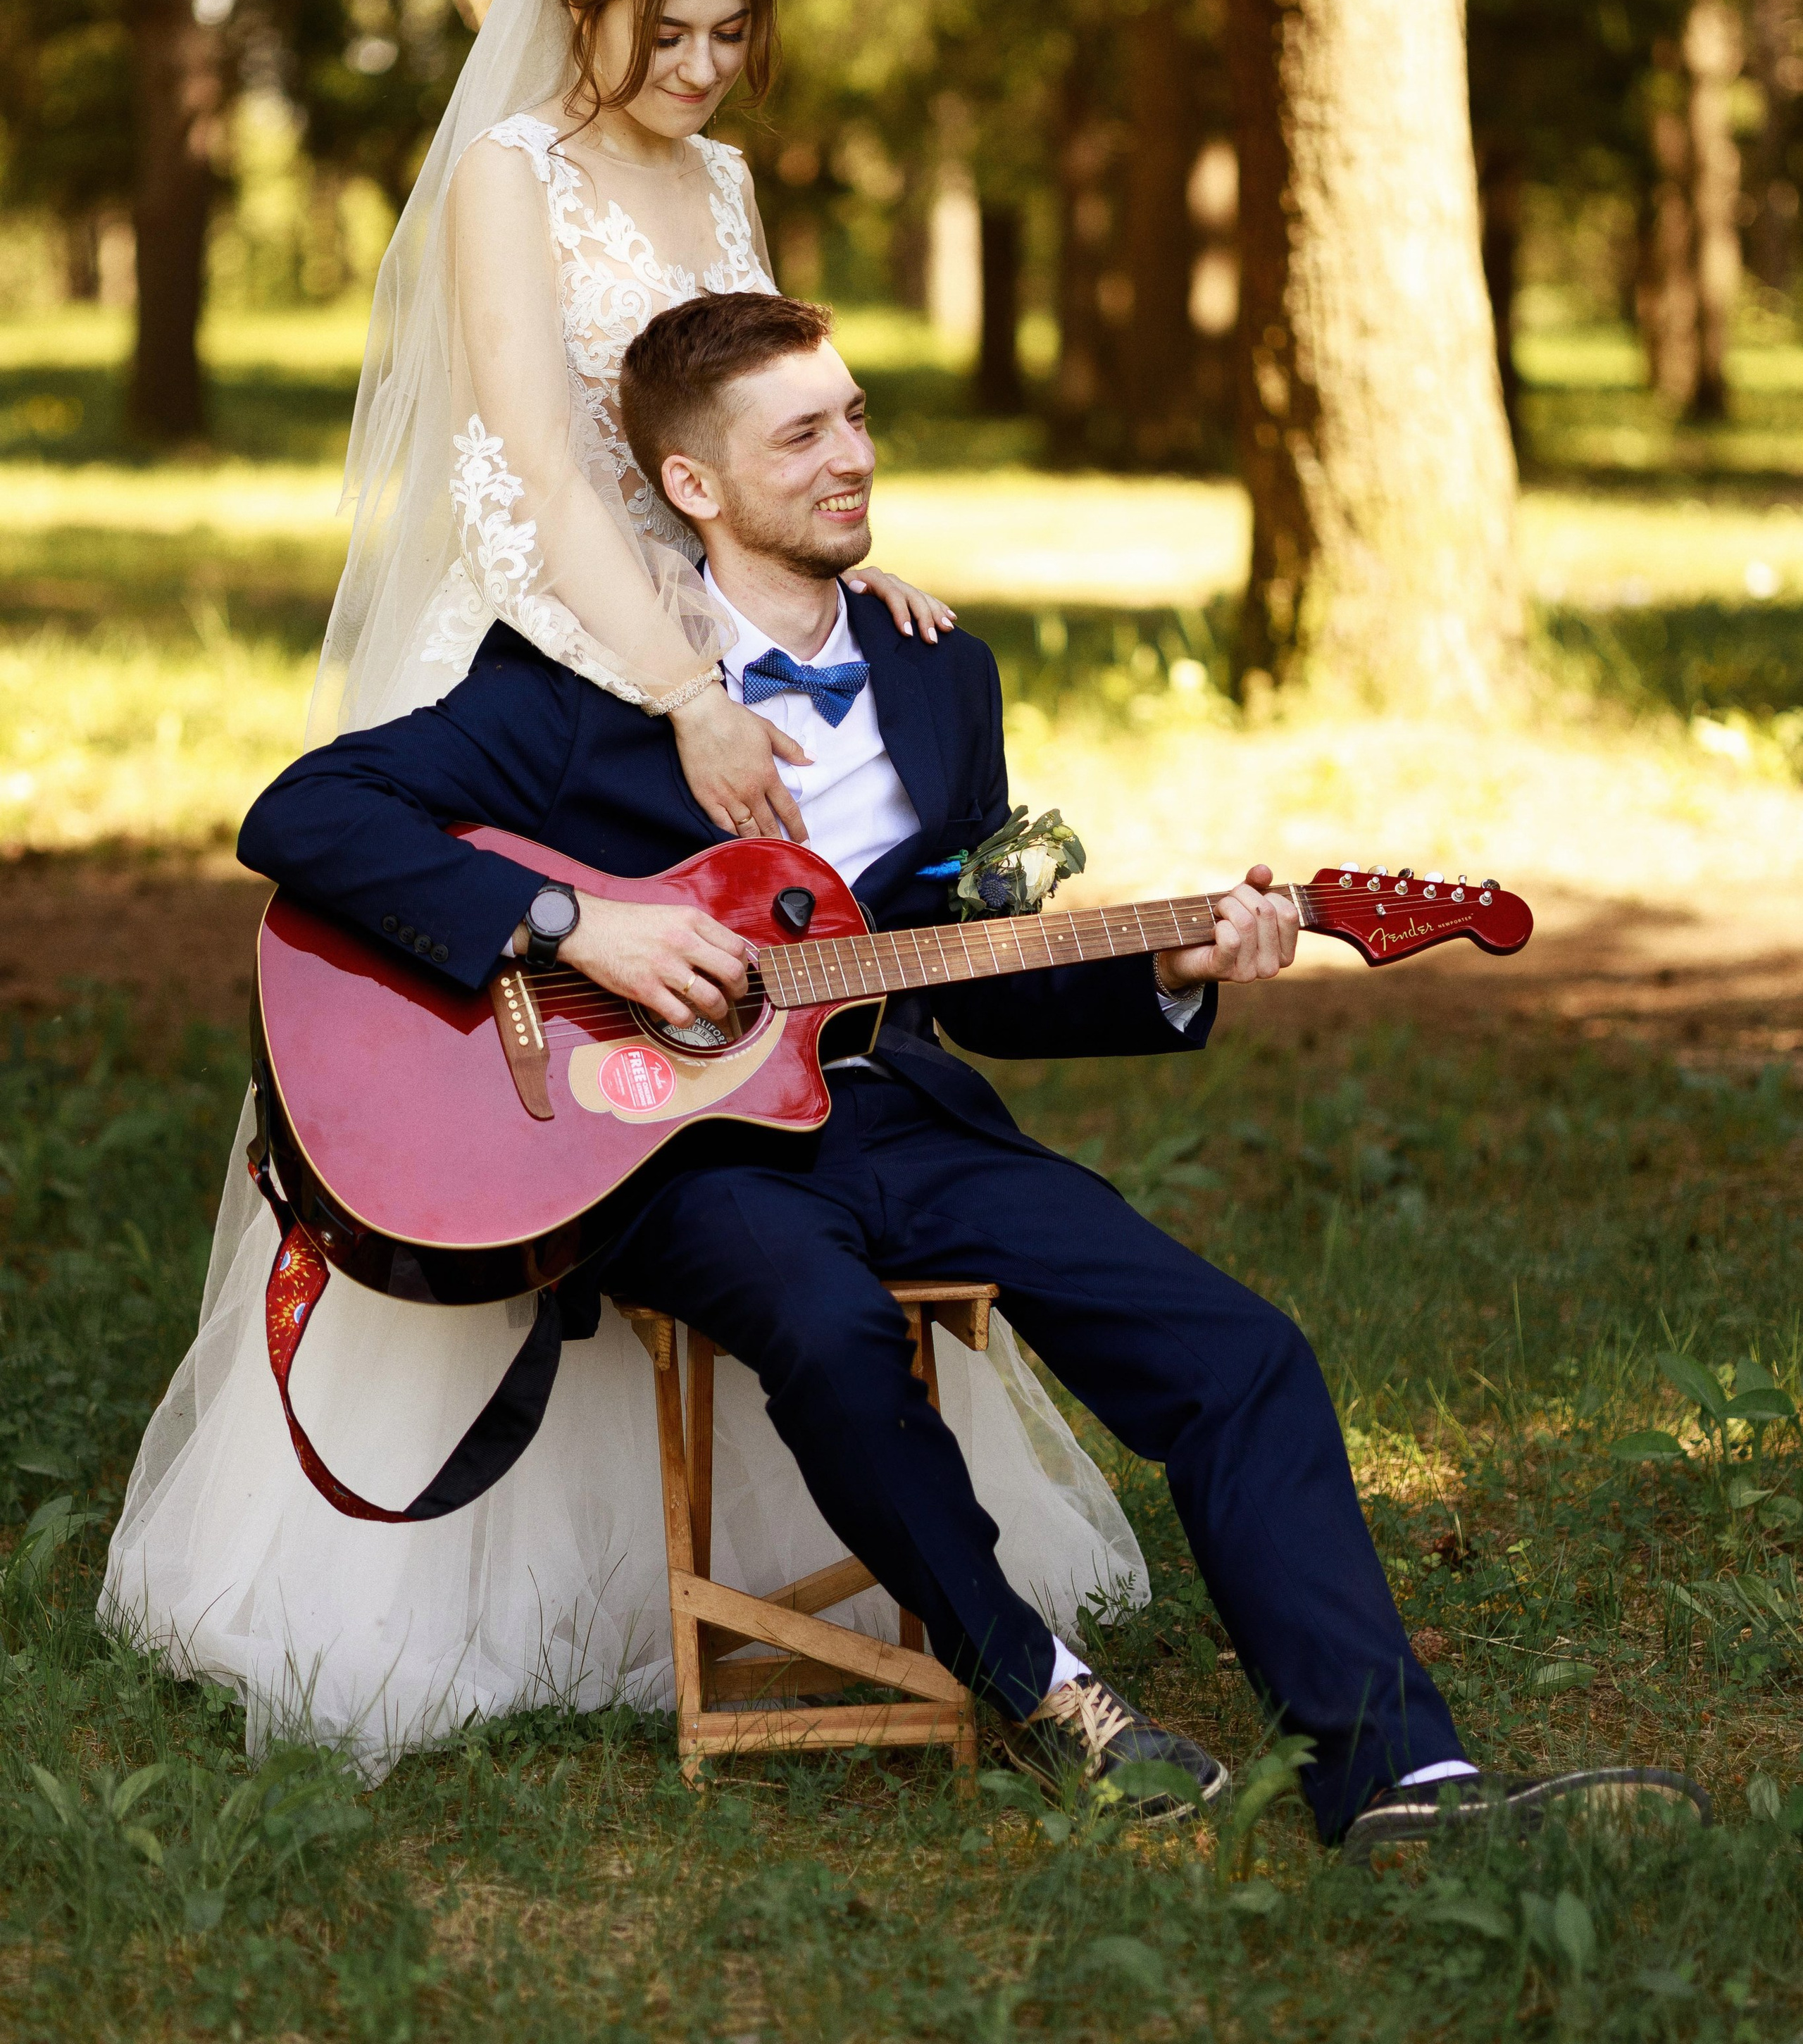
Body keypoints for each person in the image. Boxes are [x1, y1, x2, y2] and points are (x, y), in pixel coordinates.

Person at [227, 292, 1704, 1851]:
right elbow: (302, 817)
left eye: (855, 415)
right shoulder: (576, 683)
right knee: (824, 1323)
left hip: (897, 1109)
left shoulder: (941, 674)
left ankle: (1399, 1778)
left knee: (1235, 1346)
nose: (850, 455)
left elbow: (953, 958)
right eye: (801, 433)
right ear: (692, 489)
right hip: (669, 1145)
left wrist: (1169, 968)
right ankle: (1050, 1690)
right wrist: (575, 923)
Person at [102, 0, 1143, 1778]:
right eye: (663, 32)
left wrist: (825, 598)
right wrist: (677, 682)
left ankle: (809, 1503)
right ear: (577, 3)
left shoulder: (726, 177)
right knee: (529, 1068)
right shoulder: (509, 178)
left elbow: (738, 417)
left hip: (715, 644)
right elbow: (543, 461)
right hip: (545, 656)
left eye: (732, 31)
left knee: (752, 1043)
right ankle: (453, 1574)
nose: (699, 68)